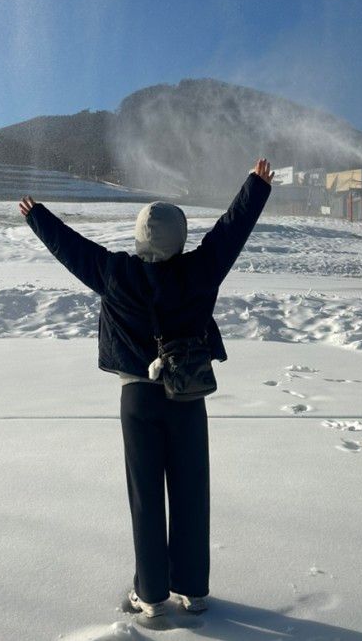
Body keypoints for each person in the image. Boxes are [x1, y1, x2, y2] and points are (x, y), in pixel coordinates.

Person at [19, 158, 274, 619]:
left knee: (146, 496)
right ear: (180, 237)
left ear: (139, 237)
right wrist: (255, 186)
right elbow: (229, 232)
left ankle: (152, 595)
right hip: (188, 396)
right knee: (192, 489)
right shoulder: (200, 271)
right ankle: (194, 591)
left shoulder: (114, 273)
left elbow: (71, 248)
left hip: (137, 398)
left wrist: (37, 215)